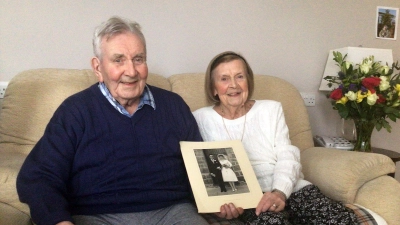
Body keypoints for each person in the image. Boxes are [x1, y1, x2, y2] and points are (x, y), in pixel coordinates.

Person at [16, 16, 208, 225]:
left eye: (138, 59)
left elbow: (200, 167)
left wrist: (221, 201)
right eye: (118, 60)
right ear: (98, 68)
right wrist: (59, 221)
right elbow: (38, 176)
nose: (132, 71)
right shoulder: (75, 111)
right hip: (97, 215)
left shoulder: (173, 105)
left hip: (171, 212)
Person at [193, 51, 358, 225]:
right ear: (213, 88)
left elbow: (287, 155)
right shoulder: (200, 119)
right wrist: (219, 206)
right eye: (224, 79)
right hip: (250, 199)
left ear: (248, 81)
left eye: (239, 76)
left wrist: (280, 192)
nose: (233, 85)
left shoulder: (270, 109)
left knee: (342, 220)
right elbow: (201, 172)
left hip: (289, 188)